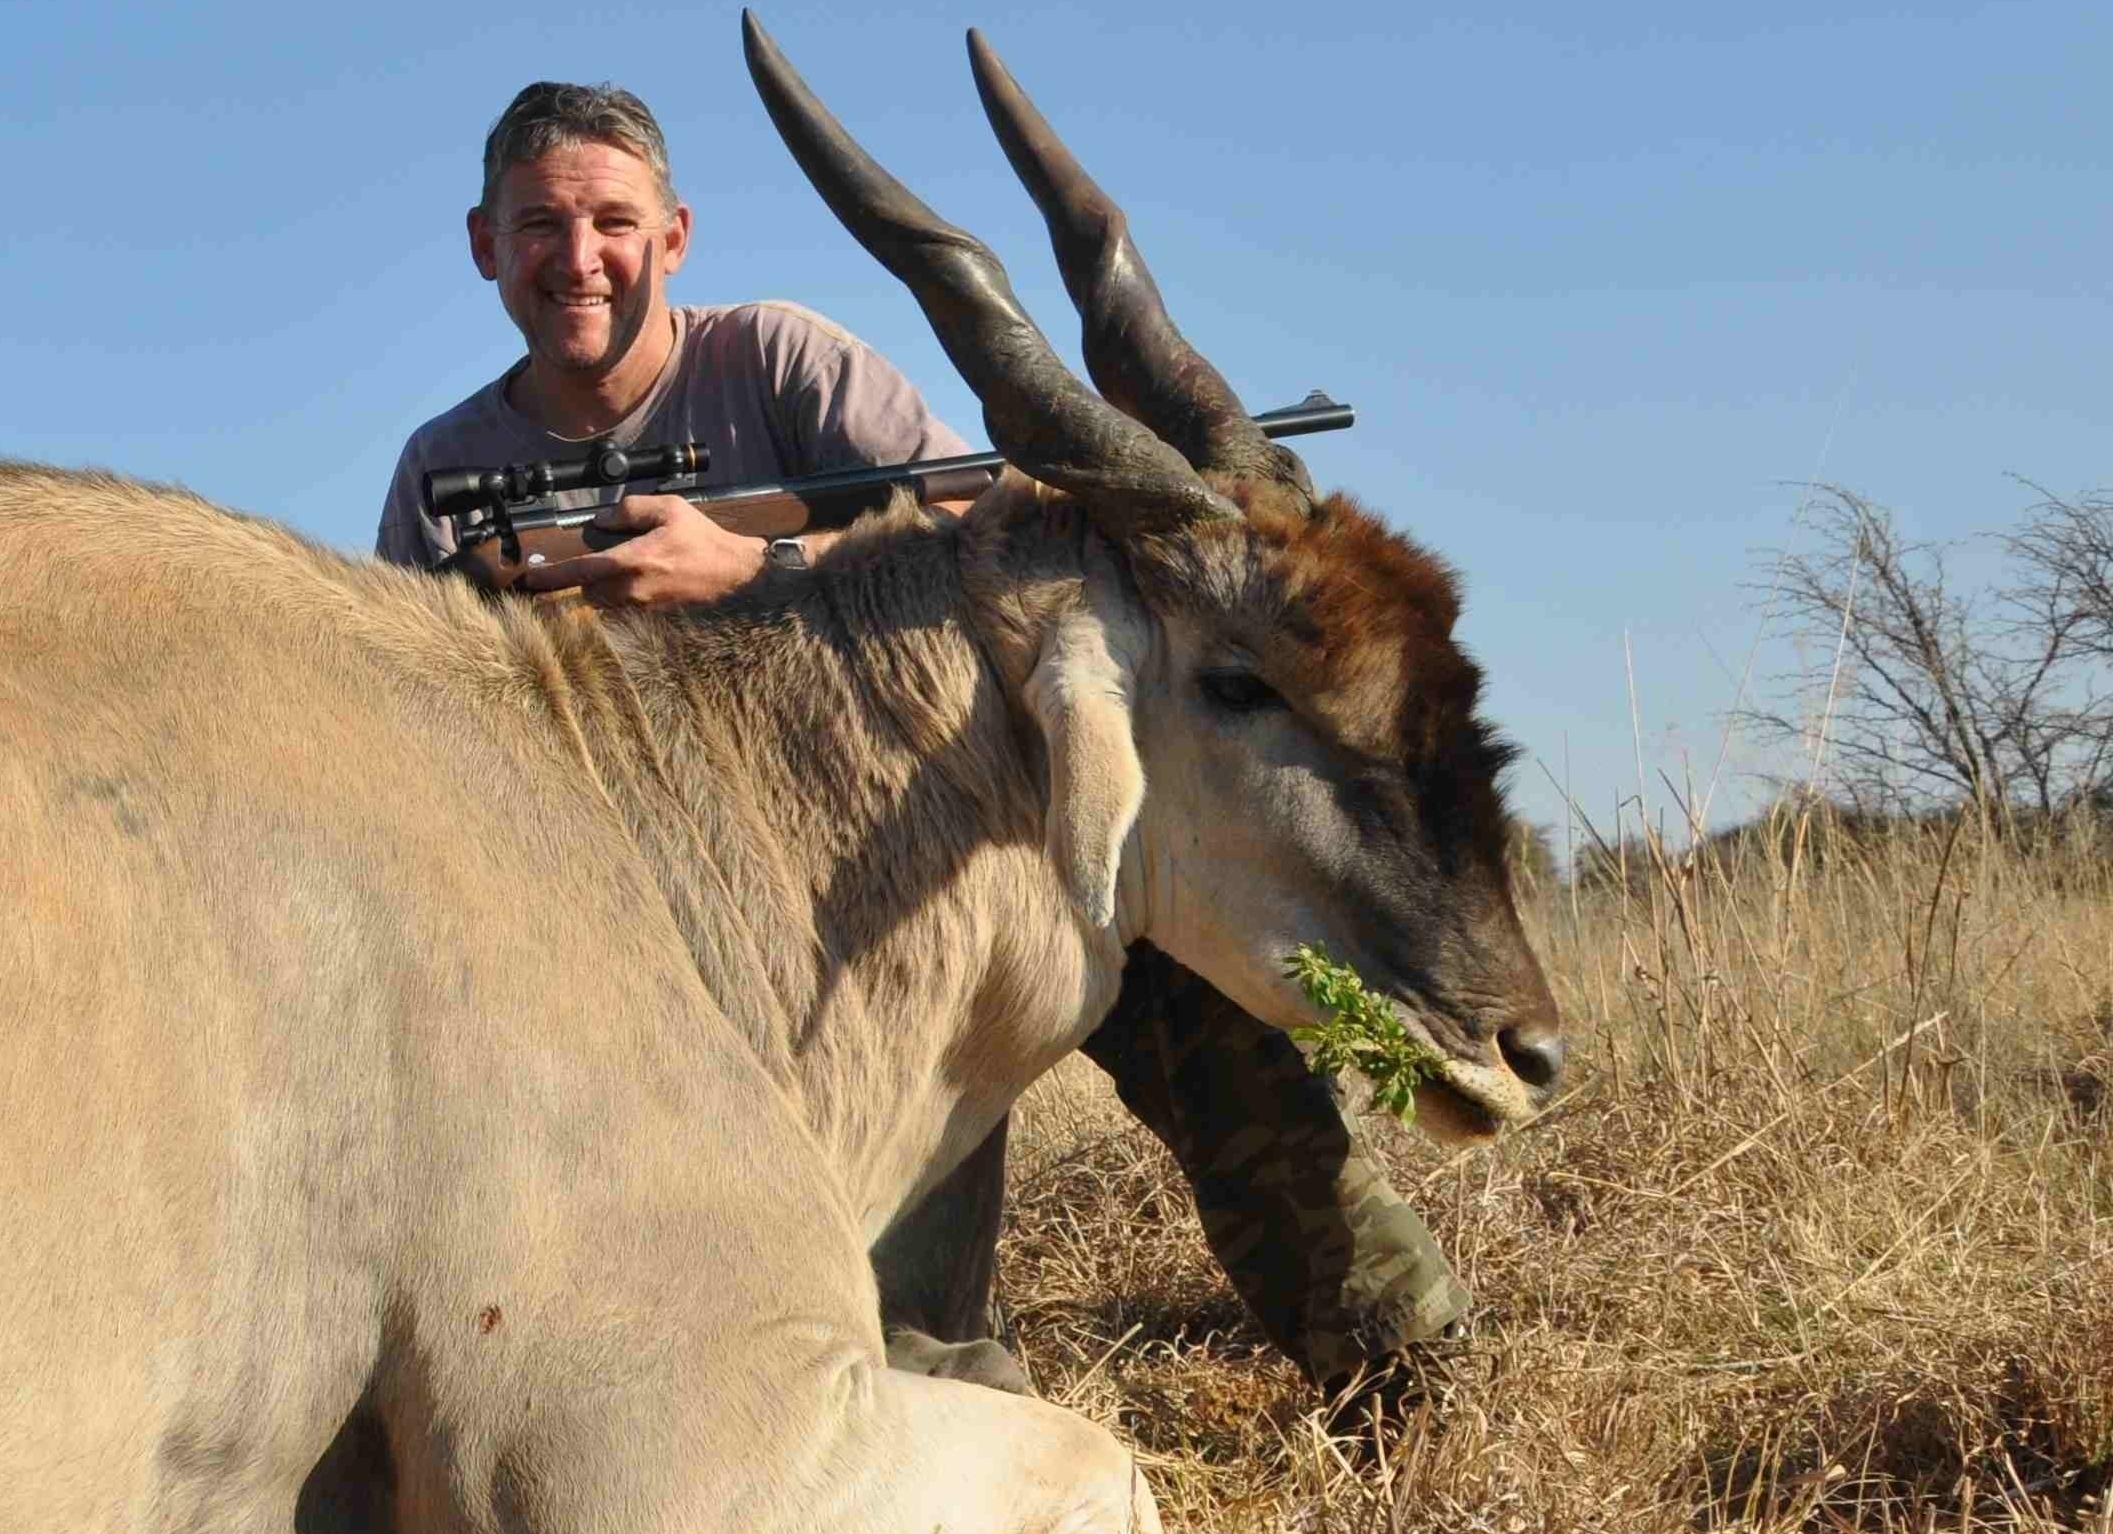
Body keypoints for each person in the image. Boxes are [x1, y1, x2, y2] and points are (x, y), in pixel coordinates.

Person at [380, 79, 1470, 1401]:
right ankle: (906, 1389)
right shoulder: (443, 470)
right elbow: (415, 721)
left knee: (1180, 987)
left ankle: (1395, 1354)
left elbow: (1013, 522)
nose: (580, 259)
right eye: (542, 226)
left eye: (613, 221)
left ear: (673, 236)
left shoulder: (780, 362)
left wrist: (750, 567)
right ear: (486, 244)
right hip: (643, 900)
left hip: (917, 828)